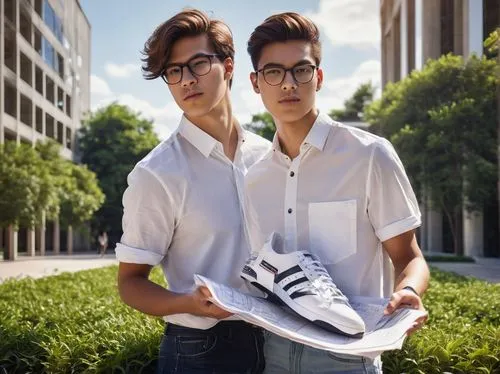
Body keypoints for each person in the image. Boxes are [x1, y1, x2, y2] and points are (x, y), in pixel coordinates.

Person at [243, 12, 430, 373]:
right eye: (273, 72)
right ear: (256, 82)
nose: (288, 84)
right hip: (274, 356)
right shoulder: (255, 178)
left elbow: (409, 257)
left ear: (319, 76)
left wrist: (409, 291)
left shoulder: (370, 155)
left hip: (347, 359)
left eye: (301, 70)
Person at [115, 9, 270, 374]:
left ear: (228, 67)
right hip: (201, 349)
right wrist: (188, 302)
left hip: (281, 341)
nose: (186, 80)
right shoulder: (157, 174)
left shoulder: (271, 156)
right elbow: (130, 283)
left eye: (198, 64)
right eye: (174, 71)